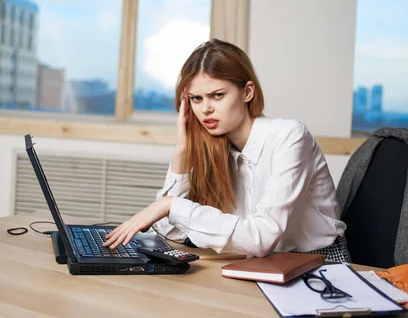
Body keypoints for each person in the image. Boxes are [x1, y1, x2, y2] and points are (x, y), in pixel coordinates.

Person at [103, 38, 350, 262]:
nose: (205, 109)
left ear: (248, 92)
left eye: (217, 95)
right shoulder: (214, 146)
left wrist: (170, 204)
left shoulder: (290, 136)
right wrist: (182, 150)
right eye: (196, 99)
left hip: (320, 265)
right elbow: (172, 232)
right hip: (256, 262)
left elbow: (261, 238)